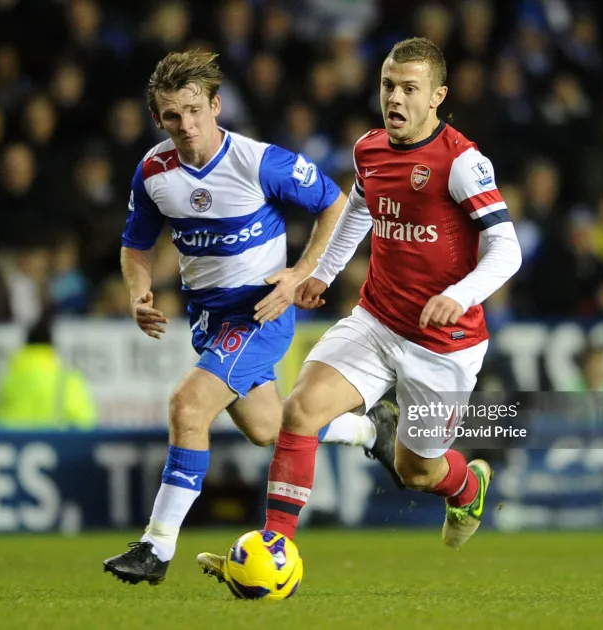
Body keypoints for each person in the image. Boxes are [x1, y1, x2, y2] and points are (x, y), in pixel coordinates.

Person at [197, 37, 522, 580]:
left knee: (416, 471)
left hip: (445, 344)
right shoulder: (370, 149)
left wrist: (458, 294)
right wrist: (320, 273)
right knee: (299, 412)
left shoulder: (462, 163)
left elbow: (506, 248)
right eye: (388, 85)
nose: (395, 97)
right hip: (376, 320)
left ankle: (469, 486)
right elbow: (359, 209)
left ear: (438, 96)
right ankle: (275, 551)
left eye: (410, 89)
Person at [102, 50, 399, 586]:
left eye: (194, 110)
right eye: (172, 116)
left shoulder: (259, 161)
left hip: (259, 313)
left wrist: (300, 274)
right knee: (269, 427)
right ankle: (367, 428)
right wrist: (139, 291)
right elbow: (137, 243)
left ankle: (156, 548)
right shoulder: (153, 171)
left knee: (187, 405)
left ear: (215, 105)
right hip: (211, 322)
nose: (186, 126)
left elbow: (335, 203)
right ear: (159, 120)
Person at [0, 313, 97, 429]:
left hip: (11, 443)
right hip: (57, 444)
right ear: (52, 346)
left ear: (25, 345)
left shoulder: (4, 380)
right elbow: (85, 423)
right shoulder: (68, 381)